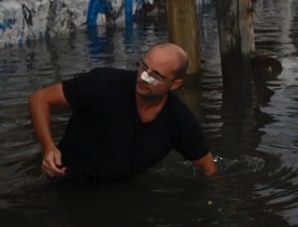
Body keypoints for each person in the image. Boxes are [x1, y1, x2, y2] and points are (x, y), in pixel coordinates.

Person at [28, 42, 218, 182]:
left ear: (174, 84)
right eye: (143, 67)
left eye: (155, 76)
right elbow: (40, 98)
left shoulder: (179, 120)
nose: (144, 77)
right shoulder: (103, 84)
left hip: (125, 190)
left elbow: (208, 169)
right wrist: (48, 148)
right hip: (69, 180)